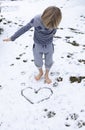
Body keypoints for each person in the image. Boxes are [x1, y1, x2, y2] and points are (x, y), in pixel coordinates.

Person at [3, 6, 62, 84]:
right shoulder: (37, 20)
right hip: (37, 45)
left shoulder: (54, 22)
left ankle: (46, 75)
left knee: (49, 61)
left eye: (51, 26)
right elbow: (25, 28)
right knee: (38, 61)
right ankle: (40, 72)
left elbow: (54, 32)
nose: (49, 27)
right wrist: (12, 38)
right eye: (47, 24)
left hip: (49, 45)